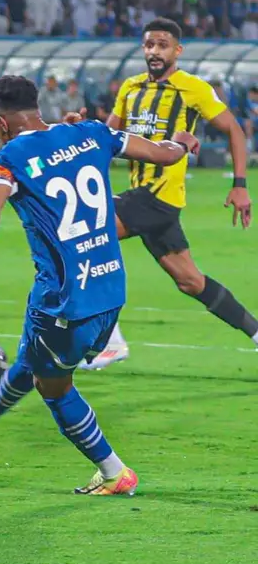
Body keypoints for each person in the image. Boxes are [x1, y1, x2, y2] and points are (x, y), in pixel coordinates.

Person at [0, 74, 199, 495]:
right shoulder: (91, 132)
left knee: (54, 388)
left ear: (2, 123)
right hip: (110, 289)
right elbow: (162, 154)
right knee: (33, 358)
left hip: (63, 301)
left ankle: (115, 473)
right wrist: (184, 142)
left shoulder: (7, 159)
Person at [80, 18, 257, 367]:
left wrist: (239, 186)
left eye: (162, 45)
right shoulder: (130, 88)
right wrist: (79, 130)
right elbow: (105, 137)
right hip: (145, 200)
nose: (154, 51)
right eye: (149, 45)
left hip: (157, 197)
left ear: (177, 51)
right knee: (190, 281)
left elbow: (235, 131)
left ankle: (108, 341)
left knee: (85, 233)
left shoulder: (193, 89)